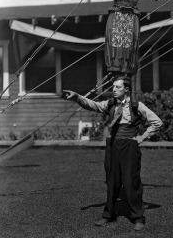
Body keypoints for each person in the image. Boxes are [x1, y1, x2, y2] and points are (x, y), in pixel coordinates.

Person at [63, 76, 163, 231]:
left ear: (127, 89)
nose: (114, 90)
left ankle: (138, 218)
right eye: (114, 87)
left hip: (129, 146)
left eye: (118, 87)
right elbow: (93, 105)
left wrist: (142, 137)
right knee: (112, 181)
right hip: (112, 145)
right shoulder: (109, 104)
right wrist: (77, 97)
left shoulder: (137, 106)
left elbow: (157, 122)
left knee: (131, 182)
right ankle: (108, 215)